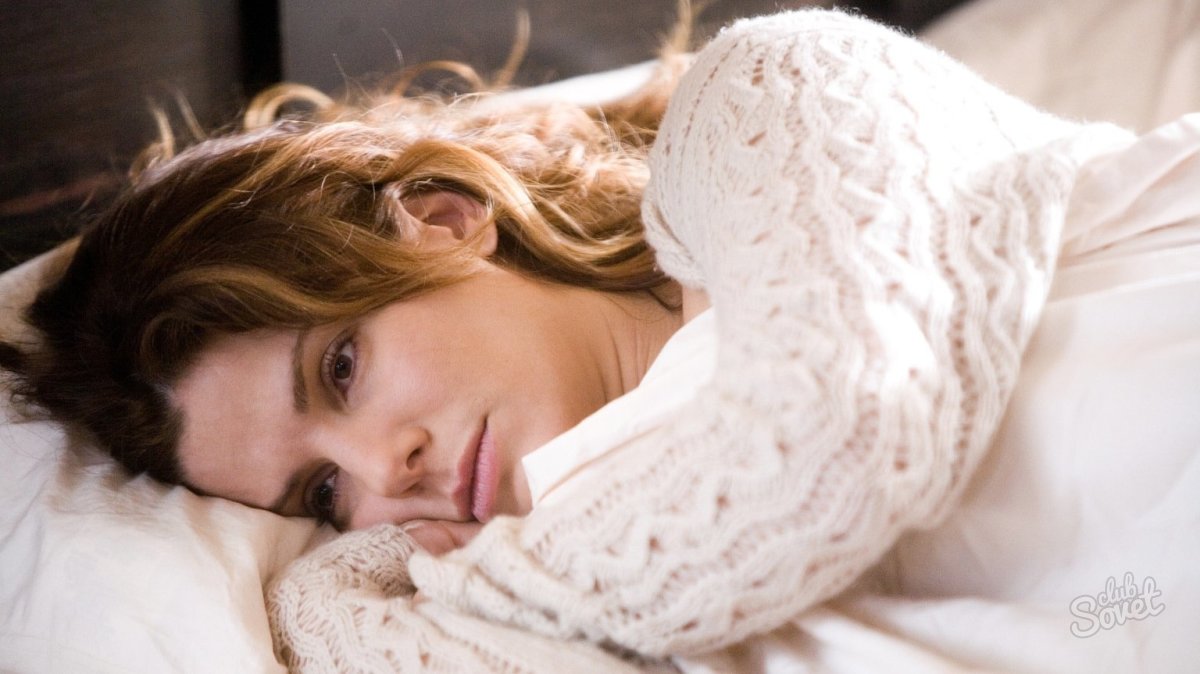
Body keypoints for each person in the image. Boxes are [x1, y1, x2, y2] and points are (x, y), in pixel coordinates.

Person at [1, 6, 1163, 673]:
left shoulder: (768, 103)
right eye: (319, 492)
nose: (385, 476)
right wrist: (335, 601)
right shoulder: (617, 552)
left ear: (445, 219)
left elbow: (843, 429)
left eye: (341, 369)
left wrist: (475, 586)